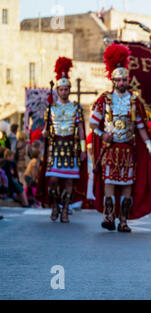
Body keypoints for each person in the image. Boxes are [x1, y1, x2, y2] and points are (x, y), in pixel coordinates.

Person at [90, 43, 151, 232]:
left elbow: (142, 128)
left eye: (124, 80)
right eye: (118, 80)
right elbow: (93, 124)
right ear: (113, 81)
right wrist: (102, 135)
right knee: (109, 182)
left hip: (128, 149)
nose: (121, 83)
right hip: (111, 148)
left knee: (127, 184)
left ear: (128, 80)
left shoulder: (134, 101)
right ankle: (109, 216)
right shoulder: (105, 100)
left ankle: (124, 220)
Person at [36, 57, 88, 223]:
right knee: (52, 182)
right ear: (57, 90)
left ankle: (65, 209)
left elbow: (80, 129)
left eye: (66, 89)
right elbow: (46, 127)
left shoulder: (76, 108)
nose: (64, 92)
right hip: (55, 147)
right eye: (61, 89)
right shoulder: (51, 108)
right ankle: (55, 205)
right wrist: (44, 132)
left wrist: (84, 150)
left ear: (69, 90)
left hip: (71, 148)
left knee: (69, 183)